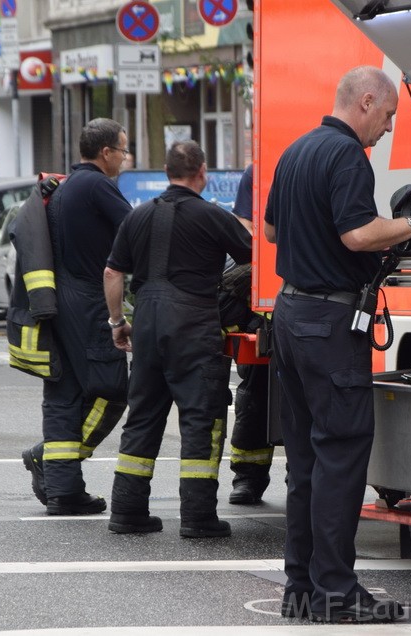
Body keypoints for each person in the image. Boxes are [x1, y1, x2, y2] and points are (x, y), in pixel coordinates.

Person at [264, 66, 411, 623]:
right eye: (389, 115)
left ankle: (302, 591)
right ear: (367, 101)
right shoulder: (346, 155)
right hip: (327, 323)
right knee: (341, 458)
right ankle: (338, 596)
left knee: (306, 464)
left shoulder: (296, 150)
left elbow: (272, 232)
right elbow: (358, 233)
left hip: (290, 315)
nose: (389, 127)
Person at [103, 140, 253, 537]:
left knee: (144, 415)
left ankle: (127, 511)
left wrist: (118, 322)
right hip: (193, 323)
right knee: (201, 417)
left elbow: (112, 274)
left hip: (148, 323)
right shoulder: (212, 216)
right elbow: (254, 259)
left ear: (167, 172)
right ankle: (198, 517)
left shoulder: (136, 218)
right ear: (201, 172)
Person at [20, 118, 133, 515]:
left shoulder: (67, 186)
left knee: (64, 395)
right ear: (106, 153)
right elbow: (136, 230)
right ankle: (49, 461)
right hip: (88, 302)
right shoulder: (99, 185)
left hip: (60, 304)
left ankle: (64, 490)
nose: (125, 157)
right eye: (122, 150)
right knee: (113, 388)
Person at [225, 163, 274, 506]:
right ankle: (248, 476)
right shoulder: (257, 172)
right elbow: (244, 233)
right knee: (257, 393)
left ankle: (302, 475)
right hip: (265, 303)